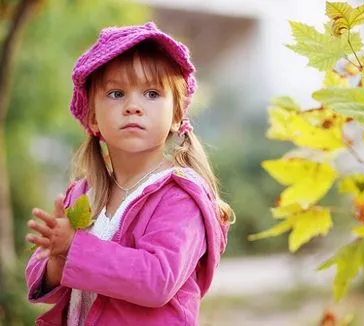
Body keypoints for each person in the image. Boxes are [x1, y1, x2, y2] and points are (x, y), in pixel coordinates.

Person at [24, 21, 233, 326]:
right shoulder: (84, 194)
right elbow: (45, 276)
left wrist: (75, 248)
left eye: (151, 93)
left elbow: (158, 280)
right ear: (92, 117)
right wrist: (56, 258)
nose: (133, 106)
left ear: (176, 114)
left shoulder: (180, 196)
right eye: (116, 94)